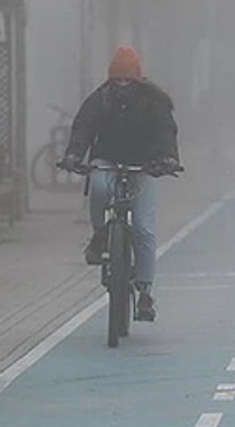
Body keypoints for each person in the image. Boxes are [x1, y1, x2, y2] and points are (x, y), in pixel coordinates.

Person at [59, 45, 181, 322]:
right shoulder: (100, 99)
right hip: (107, 160)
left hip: (145, 166)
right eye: (117, 80)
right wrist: (74, 154)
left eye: (127, 80)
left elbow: (165, 132)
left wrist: (168, 159)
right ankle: (100, 233)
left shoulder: (155, 101)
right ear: (110, 78)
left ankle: (146, 293)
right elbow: (83, 127)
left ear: (138, 78)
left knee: (144, 228)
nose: (122, 85)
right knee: (99, 187)